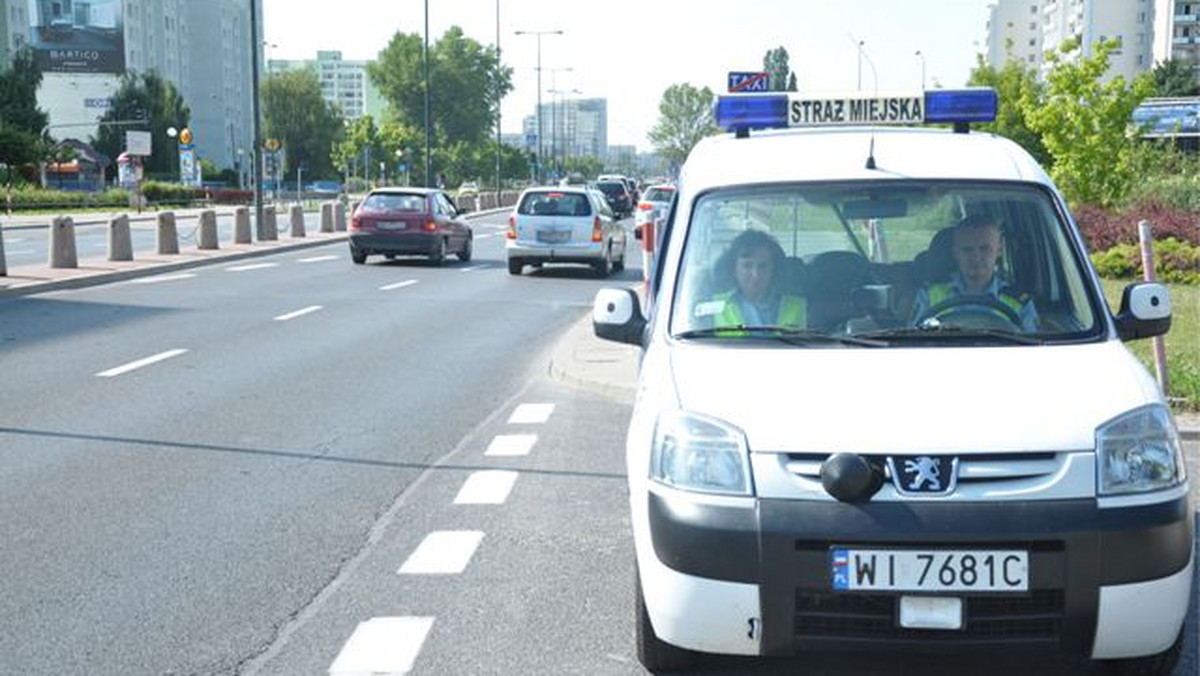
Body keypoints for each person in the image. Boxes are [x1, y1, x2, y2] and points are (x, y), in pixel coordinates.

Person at [911, 214, 1038, 331]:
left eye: (985, 249)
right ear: (955, 253)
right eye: (967, 250)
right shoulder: (928, 296)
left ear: (999, 250)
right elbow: (913, 342)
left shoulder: (1019, 303)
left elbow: (1033, 348)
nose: (976, 257)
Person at [699, 229, 806, 330]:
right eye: (747, 266)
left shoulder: (799, 306)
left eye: (763, 266)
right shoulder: (712, 306)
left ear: (774, 269)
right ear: (733, 268)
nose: (755, 274)